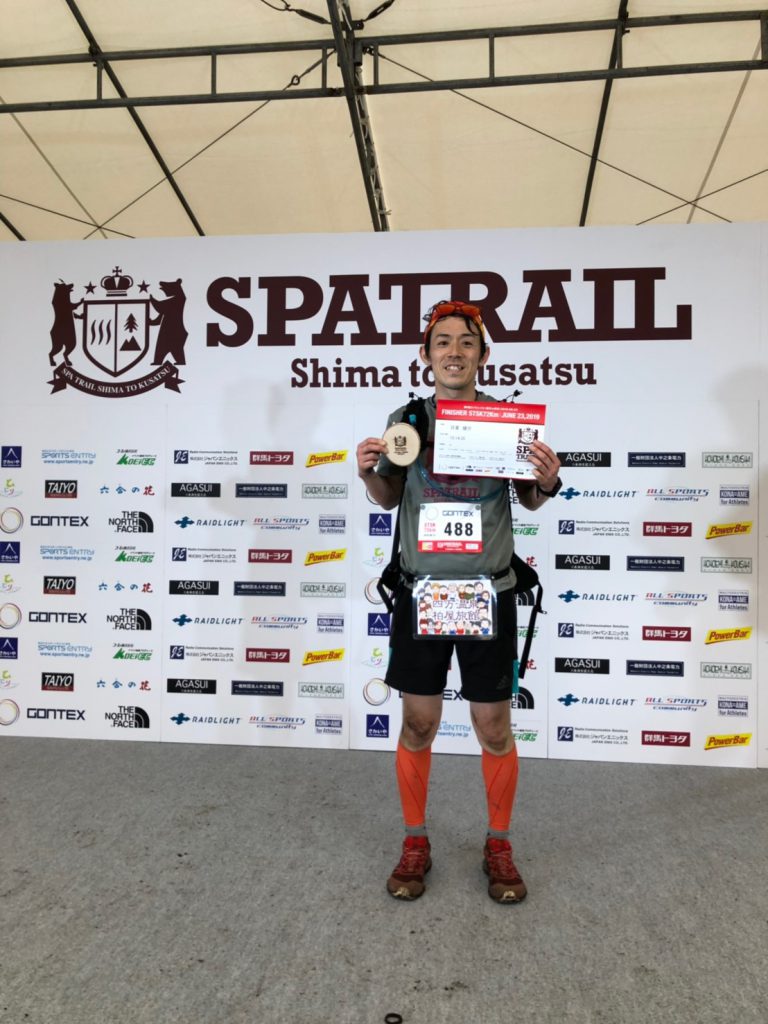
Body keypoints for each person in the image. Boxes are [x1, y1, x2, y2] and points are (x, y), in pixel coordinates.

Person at [356, 299, 562, 903]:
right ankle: (414, 840)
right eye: (442, 341)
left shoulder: (506, 422)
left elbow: (530, 500)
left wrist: (547, 479)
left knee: (493, 727)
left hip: (488, 593)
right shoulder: (407, 418)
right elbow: (388, 496)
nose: (454, 352)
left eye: (466, 342)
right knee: (419, 722)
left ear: (482, 355)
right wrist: (368, 471)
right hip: (422, 593)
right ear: (426, 355)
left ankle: (498, 844)